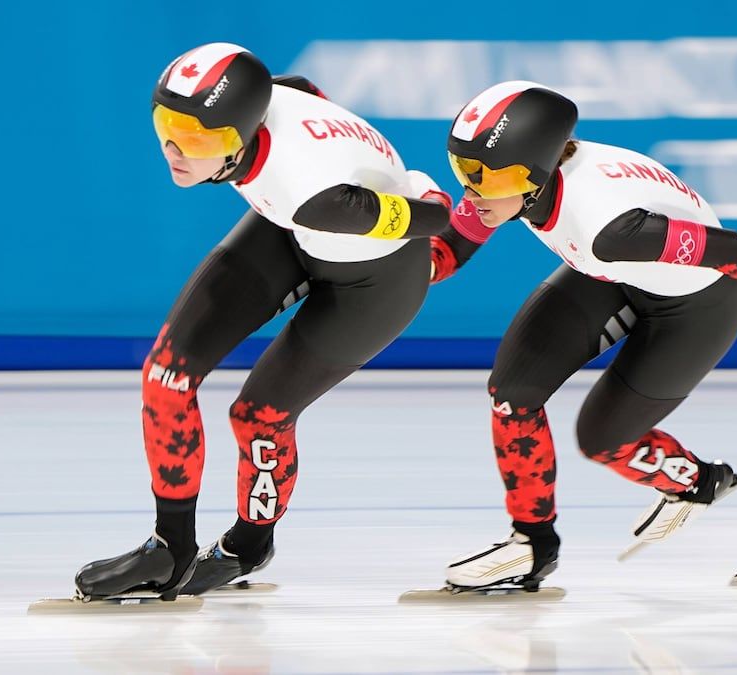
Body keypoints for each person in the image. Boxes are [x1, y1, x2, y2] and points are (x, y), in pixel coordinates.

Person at [74, 43, 456, 601]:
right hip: (291, 226)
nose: (176, 150)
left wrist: (423, 189)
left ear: (243, 135)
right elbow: (301, 86)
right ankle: (170, 550)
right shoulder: (268, 103)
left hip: (376, 276)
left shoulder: (312, 192)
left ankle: (249, 544)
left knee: (259, 417)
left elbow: (437, 220)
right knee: (166, 376)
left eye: (200, 138)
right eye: (168, 126)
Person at [426, 81, 737, 592]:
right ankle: (532, 545)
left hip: (695, 305)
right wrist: (409, 268)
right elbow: (452, 248)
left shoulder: (607, 223)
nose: (473, 193)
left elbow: (731, 248)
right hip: (613, 274)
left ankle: (697, 482)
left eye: (487, 178)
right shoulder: (517, 182)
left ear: (536, 173)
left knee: (603, 439)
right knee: (512, 395)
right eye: (465, 173)